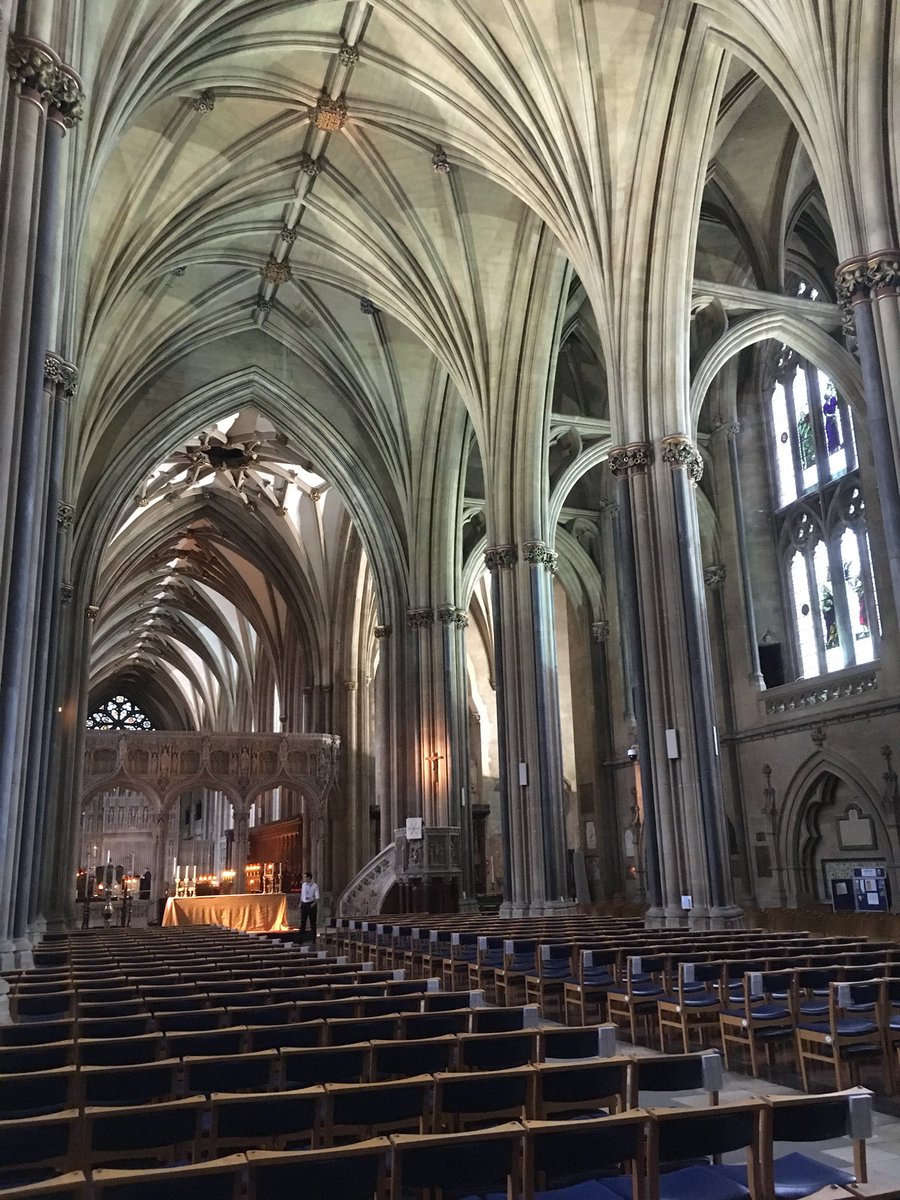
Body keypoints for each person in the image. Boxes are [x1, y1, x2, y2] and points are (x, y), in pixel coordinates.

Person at [299, 871, 319, 942]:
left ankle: (313, 939)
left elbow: (317, 897)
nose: (304, 879)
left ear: (309, 878)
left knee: (312, 922)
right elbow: (302, 895)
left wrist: (314, 903)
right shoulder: (303, 885)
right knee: (302, 922)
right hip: (304, 904)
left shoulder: (315, 886)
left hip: (311, 904)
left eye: (305, 877)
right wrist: (300, 903)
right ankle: (301, 939)